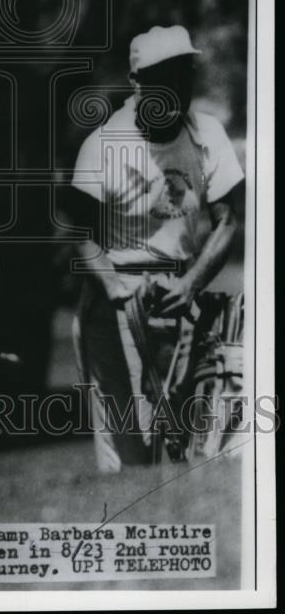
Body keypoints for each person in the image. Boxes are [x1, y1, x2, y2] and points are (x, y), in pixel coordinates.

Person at [68, 25, 244, 471]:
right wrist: (115, 289)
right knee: (133, 454)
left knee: (188, 444)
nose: (177, 85)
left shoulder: (206, 134)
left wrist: (190, 285)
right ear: (137, 82)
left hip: (181, 294)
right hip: (117, 303)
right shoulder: (104, 144)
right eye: (164, 75)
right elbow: (80, 236)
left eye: (184, 72)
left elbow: (228, 221)